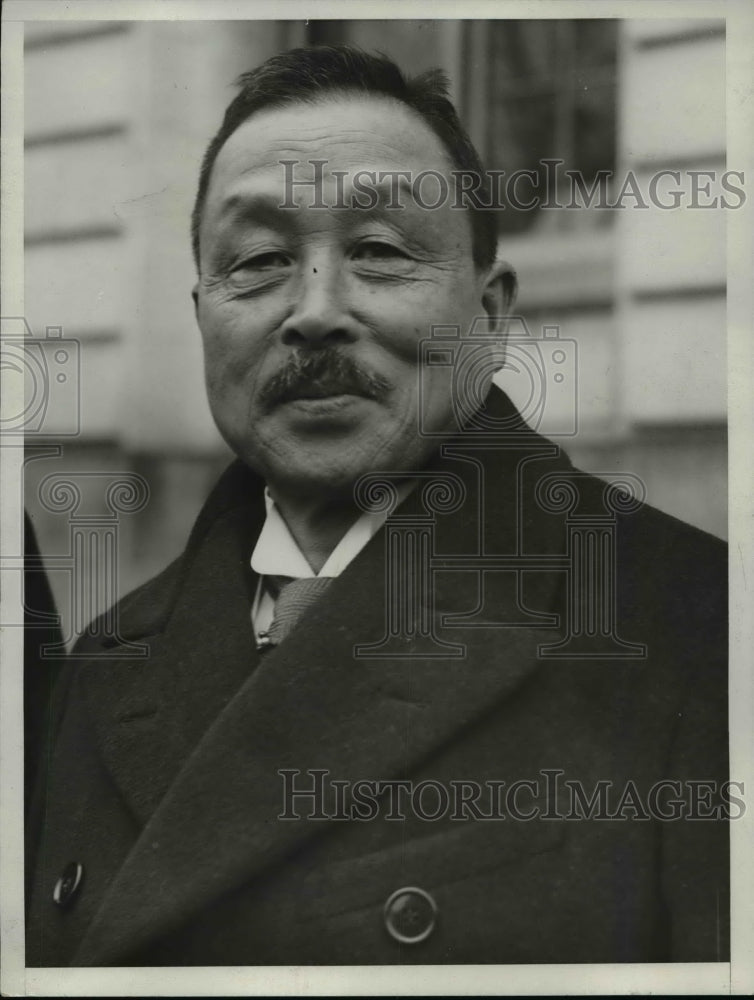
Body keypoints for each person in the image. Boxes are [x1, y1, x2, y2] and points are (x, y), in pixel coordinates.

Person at [26, 45, 728, 967]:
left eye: (380, 250)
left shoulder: (692, 628)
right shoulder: (108, 658)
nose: (314, 310)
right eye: (260, 259)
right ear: (201, 313)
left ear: (492, 317)